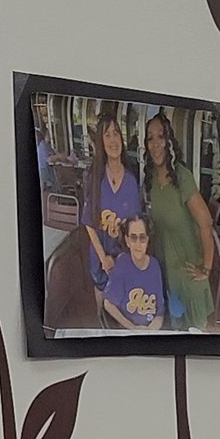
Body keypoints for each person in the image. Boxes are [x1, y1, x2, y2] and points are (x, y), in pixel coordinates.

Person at [143, 111, 220, 331]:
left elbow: (206, 224)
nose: (156, 144)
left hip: (188, 276)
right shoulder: (150, 180)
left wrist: (205, 269)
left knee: (198, 343)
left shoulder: (182, 176)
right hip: (167, 276)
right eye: (151, 138)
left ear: (169, 142)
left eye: (161, 136)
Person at [80, 114, 145, 308]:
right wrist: (104, 259)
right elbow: (89, 223)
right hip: (100, 262)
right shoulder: (94, 176)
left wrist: (122, 259)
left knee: (122, 311)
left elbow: (135, 225)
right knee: (102, 312)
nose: (113, 140)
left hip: (125, 259)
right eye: (107, 135)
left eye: (116, 133)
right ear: (101, 141)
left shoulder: (132, 179)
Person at [99, 211, 167, 333]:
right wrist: (132, 328)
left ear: (148, 240)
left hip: (150, 331)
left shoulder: (155, 266)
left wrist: (150, 331)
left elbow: (159, 314)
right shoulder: (122, 264)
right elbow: (108, 304)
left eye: (142, 238)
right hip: (127, 331)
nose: (138, 244)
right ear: (127, 241)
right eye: (133, 238)